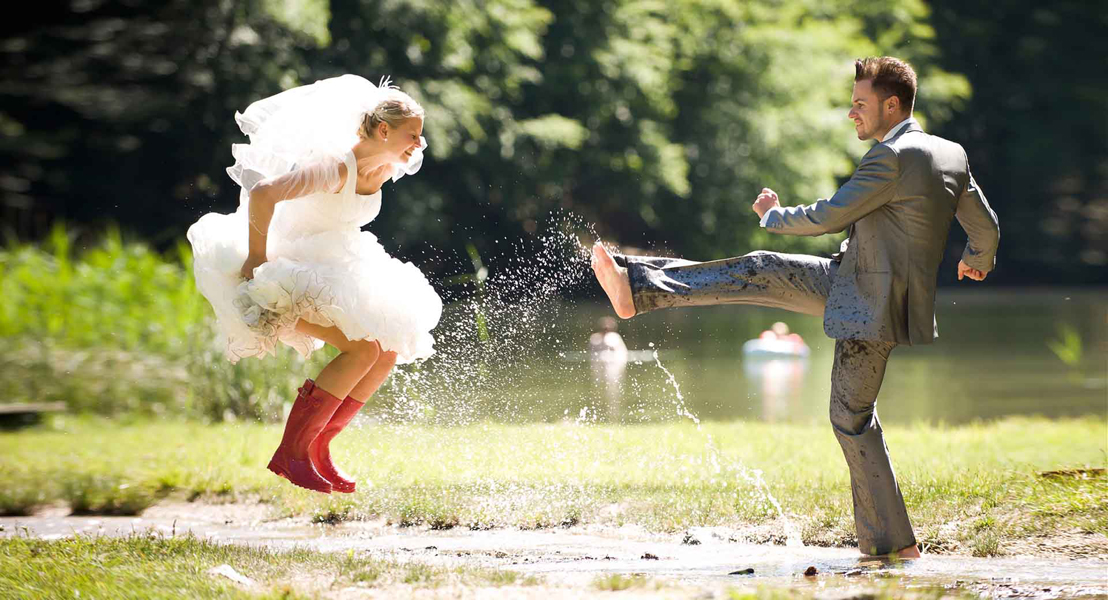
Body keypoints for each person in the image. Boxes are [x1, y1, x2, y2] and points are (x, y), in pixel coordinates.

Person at [591, 57, 999, 558]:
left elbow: (833, 213)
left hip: (870, 303)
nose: (852, 113)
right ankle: (638, 287)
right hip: (855, 283)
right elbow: (985, 225)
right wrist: (977, 259)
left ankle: (894, 546)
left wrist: (773, 213)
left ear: (891, 105)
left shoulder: (891, 157)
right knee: (760, 268)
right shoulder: (950, 154)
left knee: (851, 419)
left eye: (860, 104)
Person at [187, 75, 442, 494]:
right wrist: (257, 260)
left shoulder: (382, 169)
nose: (419, 143)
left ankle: (319, 447)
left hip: (339, 262)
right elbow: (264, 194)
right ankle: (293, 452)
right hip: (292, 269)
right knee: (362, 349)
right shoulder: (335, 167)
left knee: (387, 349)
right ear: (383, 130)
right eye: (412, 134)